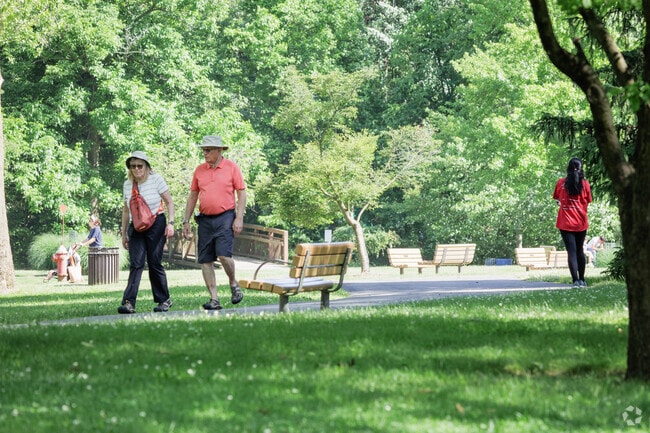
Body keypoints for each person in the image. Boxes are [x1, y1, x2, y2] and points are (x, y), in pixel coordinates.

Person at [181, 135, 246, 310]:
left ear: (219, 151)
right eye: (203, 150)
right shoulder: (199, 170)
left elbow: (241, 192)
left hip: (225, 217)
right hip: (204, 220)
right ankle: (214, 299)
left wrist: (239, 217)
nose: (205, 153)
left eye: (208, 150)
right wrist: (186, 221)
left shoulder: (231, 168)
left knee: (224, 256)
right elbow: (193, 195)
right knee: (206, 260)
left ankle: (233, 283)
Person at [118, 151, 175, 314]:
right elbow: (125, 211)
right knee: (136, 263)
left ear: (147, 166)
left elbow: (169, 202)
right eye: (133, 166)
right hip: (136, 226)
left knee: (154, 261)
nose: (136, 169)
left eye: (139, 165)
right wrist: (124, 234)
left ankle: (164, 300)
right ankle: (129, 303)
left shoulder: (156, 180)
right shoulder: (127, 184)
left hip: (156, 222)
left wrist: (170, 223)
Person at [553, 157, 592, 287]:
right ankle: (582, 280)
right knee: (580, 250)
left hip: (565, 222)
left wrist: (563, 202)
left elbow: (557, 199)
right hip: (581, 222)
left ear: (568, 168)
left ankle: (575, 280)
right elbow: (588, 201)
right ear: (581, 168)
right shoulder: (585, 184)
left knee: (572, 251)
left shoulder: (561, 183)